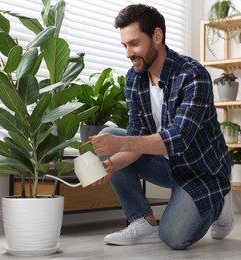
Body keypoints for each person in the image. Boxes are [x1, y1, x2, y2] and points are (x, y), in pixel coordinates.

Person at [89, 4, 233, 250]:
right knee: (107, 135)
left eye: (134, 44)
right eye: (124, 46)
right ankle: (142, 221)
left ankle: (219, 203)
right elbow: (137, 135)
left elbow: (180, 137)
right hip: (163, 164)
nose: (128, 53)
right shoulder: (134, 78)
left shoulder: (192, 75)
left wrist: (121, 145)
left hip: (200, 171)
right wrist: (109, 166)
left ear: (157, 36)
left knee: (174, 238)